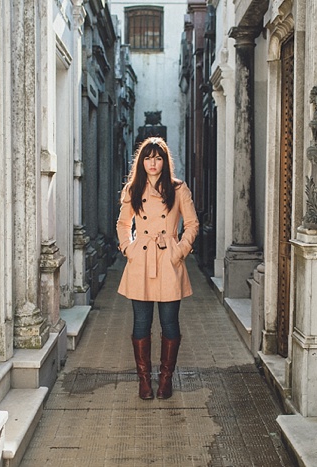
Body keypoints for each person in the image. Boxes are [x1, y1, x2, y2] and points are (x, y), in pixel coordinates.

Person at [116, 137, 199, 400]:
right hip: (141, 259)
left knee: (169, 323)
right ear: (141, 161)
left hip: (168, 260)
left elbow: (192, 224)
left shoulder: (178, 189)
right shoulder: (133, 189)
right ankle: (144, 381)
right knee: (141, 323)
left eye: (158, 157)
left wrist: (179, 250)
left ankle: (165, 379)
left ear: (165, 161)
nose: (153, 163)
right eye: (148, 158)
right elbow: (122, 224)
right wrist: (128, 248)